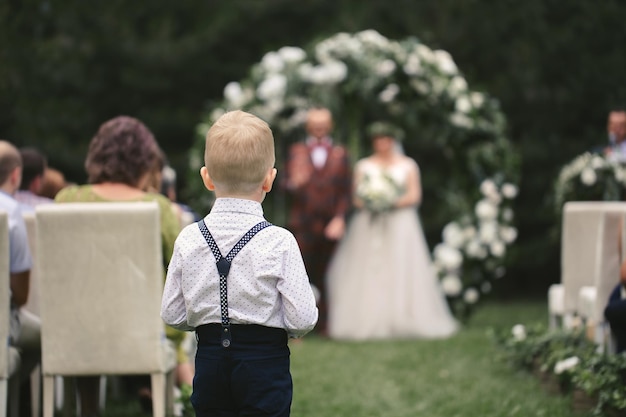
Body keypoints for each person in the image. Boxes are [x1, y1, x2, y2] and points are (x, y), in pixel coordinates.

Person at [161, 110, 318, 417]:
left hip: (208, 362)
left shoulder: (189, 238)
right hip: (264, 363)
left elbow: (172, 312)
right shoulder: (280, 241)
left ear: (206, 177)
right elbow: (302, 319)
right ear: (269, 180)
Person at [54, 116, 193, 416]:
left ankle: (88, 408)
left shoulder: (66, 200)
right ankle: (176, 395)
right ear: (146, 161)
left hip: (77, 331)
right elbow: (182, 269)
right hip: (143, 329)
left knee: (89, 313)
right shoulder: (157, 207)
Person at [326, 122, 458, 341]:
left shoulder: (408, 165)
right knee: (369, 268)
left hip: (401, 224)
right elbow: (357, 198)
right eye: (378, 140)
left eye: (386, 139)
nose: (382, 144)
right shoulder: (364, 166)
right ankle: (367, 319)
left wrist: (389, 201)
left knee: (401, 266)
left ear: (393, 141)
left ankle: (403, 318)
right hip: (370, 223)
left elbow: (414, 196)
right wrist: (373, 201)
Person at [283, 107, 351, 334]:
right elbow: (283, 184)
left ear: (330, 126)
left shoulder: (341, 153)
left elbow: (346, 190)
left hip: (330, 225)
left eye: (323, 123)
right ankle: (296, 325)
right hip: (302, 224)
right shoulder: (296, 151)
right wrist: (294, 183)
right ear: (308, 126)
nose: (319, 128)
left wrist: (340, 218)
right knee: (298, 273)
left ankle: (325, 326)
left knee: (328, 274)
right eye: (315, 123)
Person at [0, 140, 41, 410]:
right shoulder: (9, 210)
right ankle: (15, 405)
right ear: (16, 175)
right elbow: (21, 294)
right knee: (40, 335)